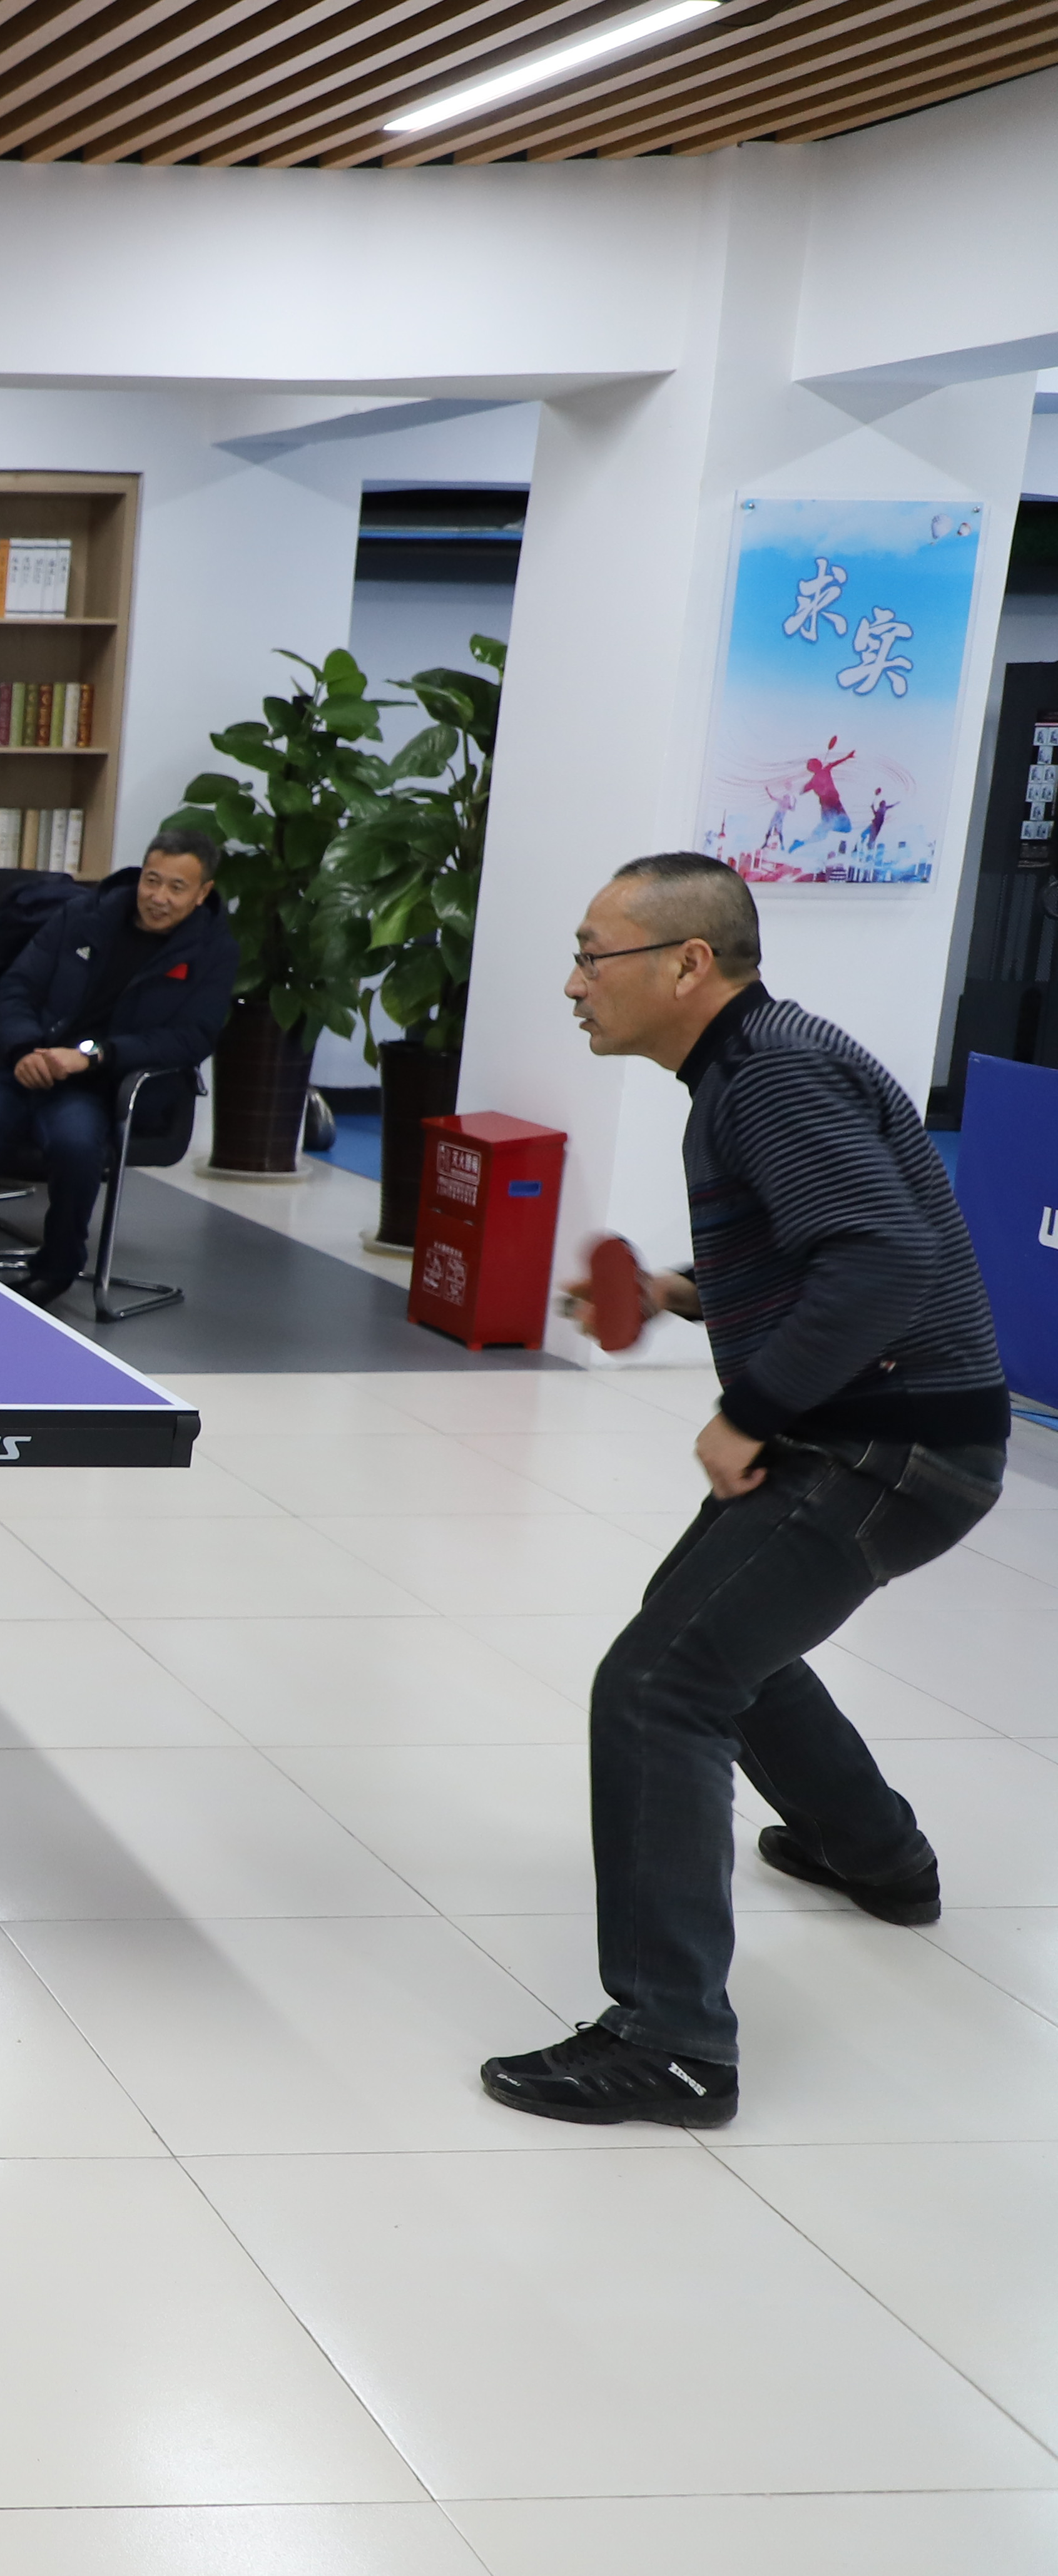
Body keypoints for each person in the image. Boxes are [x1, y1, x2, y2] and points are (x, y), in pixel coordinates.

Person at [481, 853, 1009, 2131]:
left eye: (593, 956)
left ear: (688, 963)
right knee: (713, 1629)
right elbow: (831, 1245)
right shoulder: (756, 1062)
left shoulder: (769, 1077)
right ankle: (872, 1853)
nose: (574, 983)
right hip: (885, 1427)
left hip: (887, 1447)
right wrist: (680, 1289)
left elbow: (880, 1261)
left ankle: (672, 2042)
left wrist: (748, 1413)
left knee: (663, 1681)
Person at [0, 829, 236, 1304]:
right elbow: (15, 989)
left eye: (177, 888)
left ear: (202, 893)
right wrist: (25, 1049)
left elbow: (190, 1039)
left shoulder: (213, 951)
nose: (159, 898)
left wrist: (95, 1056)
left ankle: (56, 1269)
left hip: (95, 1085)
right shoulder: (85, 915)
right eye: (152, 881)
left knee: (76, 1145)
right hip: (21, 1065)